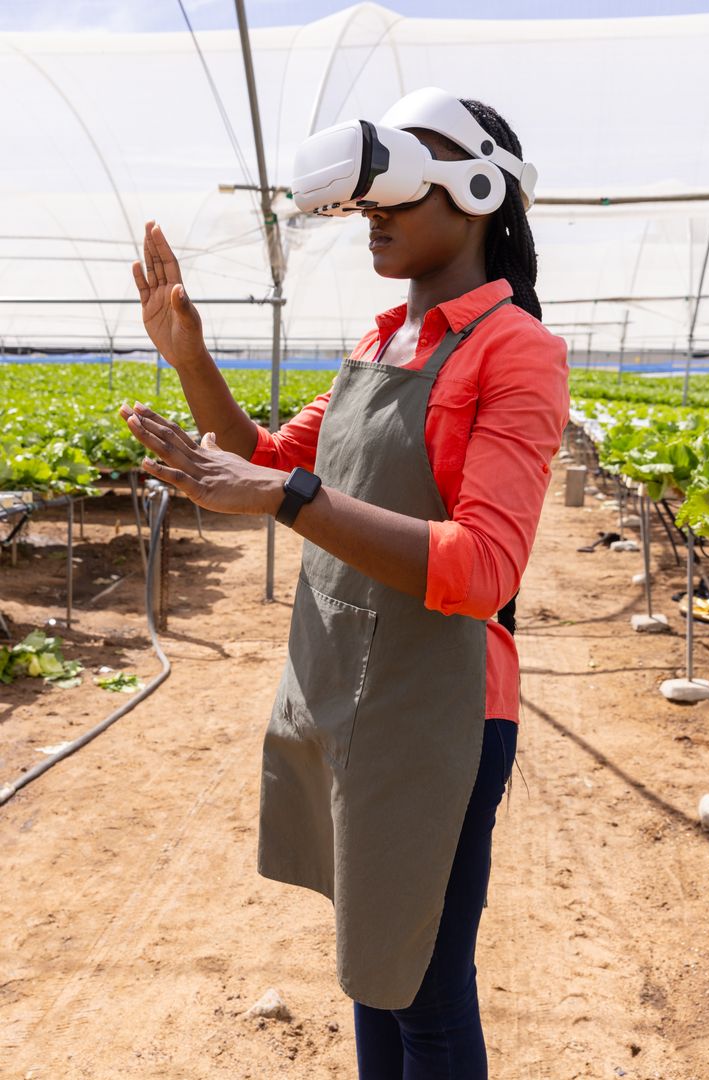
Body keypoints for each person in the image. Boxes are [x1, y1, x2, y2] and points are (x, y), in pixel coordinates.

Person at [121, 91, 570, 1079]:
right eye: (367, 202)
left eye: (396, 191)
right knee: (374, 971)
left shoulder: (515, 350)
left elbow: (484, 564)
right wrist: (189, 356)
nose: (375, 212)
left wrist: (285, 495)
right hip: (349, 692)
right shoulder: (378, 345)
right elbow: (268, 455)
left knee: (427, 992)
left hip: (440, 713)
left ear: (480, 191)